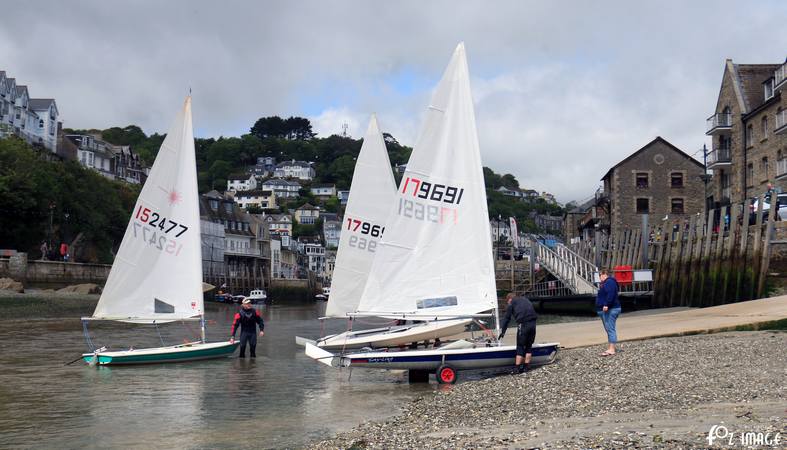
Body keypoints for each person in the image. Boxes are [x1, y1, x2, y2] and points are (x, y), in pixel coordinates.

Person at [498, 292, 537, 373]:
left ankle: (517, 368)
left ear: (510, 299)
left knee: (520, 346)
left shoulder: (511, 303)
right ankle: (526, 367)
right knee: (529, 346)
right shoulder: (525, 299)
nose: (507, 304)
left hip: (523, 324)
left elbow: (506, 319)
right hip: (533, 323)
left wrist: (503, 332)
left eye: (507, 302)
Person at [596, 269, 621, 356]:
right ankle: (611, 347)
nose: (599, 278)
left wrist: (606, 304)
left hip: (611, 309)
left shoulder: (609, 282)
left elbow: (611, 293)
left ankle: (612, 349)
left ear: (604, 274)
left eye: (600, 275)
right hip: (610, 308)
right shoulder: (607, 283)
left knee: (610, 328)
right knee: (609, 328)